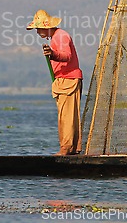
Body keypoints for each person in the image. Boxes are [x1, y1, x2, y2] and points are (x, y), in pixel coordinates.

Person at [27, 9, 83, 155]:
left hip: (68, 79)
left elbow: (67, 56)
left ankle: (66, 148)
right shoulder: (55, 38)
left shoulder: (61, 36)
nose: (37, 32)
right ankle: (71, 148)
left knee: (67, 116)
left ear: (46, 27)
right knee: (66, 116)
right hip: (63, 80)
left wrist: (53, 54)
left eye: (38, 28)